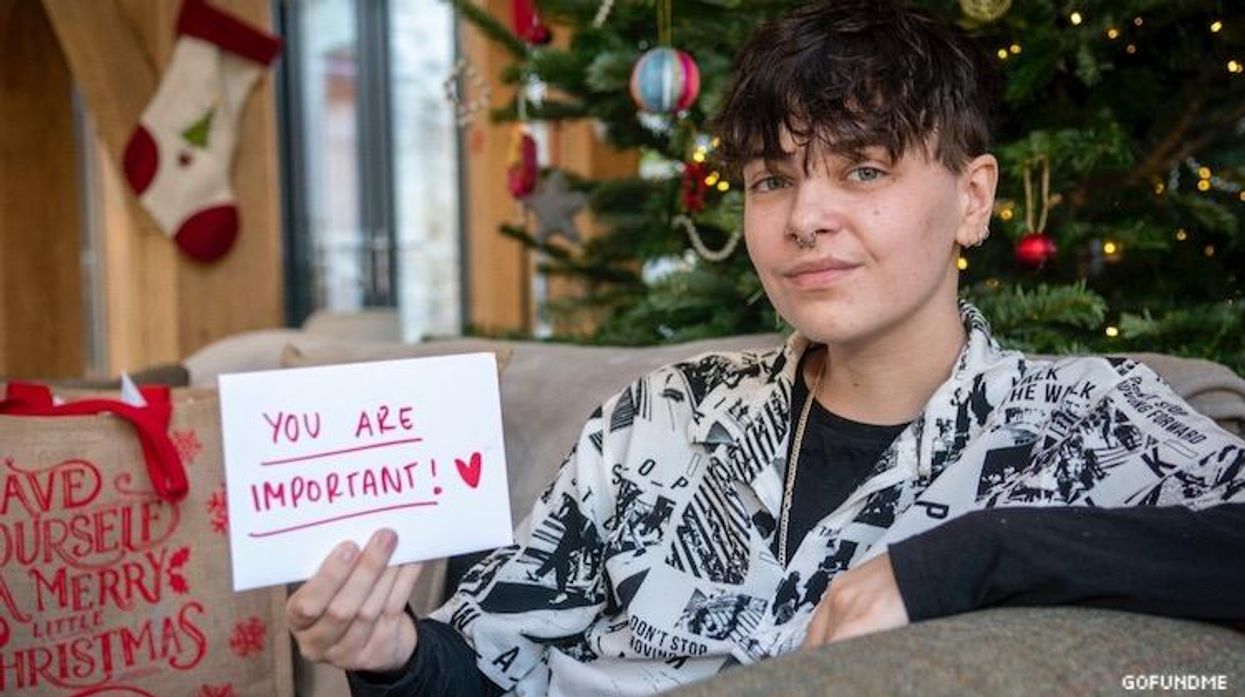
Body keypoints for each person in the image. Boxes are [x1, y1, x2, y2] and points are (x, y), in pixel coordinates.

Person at [285, 2, 1245, 695]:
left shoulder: (1087, 422)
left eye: (862, 170)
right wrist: (392, 653)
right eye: (770, 179)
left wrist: (967, 557)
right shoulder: (654, 419)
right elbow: (486, 666)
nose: (805, 217)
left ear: (973, 197)